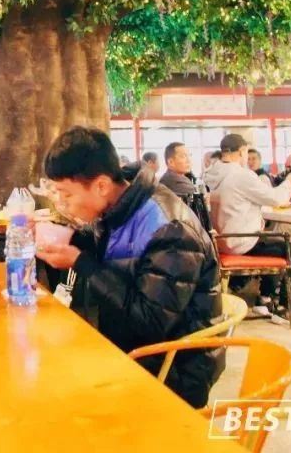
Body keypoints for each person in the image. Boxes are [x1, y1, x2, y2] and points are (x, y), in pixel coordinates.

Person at [36, 127, 223, 408]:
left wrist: (79, 261)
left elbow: (150, 322)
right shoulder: (121, 204)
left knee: (50, 385)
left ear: (100, 185)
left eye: (66, 195)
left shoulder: (169, 228)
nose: (62, 204)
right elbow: (117, 251)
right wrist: (65, 238)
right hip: (131, 344)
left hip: (174, 368)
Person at [204, 134, 291, 327]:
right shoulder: (240, 175)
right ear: (242, 151)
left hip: (221, 240)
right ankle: (284, 310)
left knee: (273, 241)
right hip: (242, 241)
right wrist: (289, 182)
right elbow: (275, 199)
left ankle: (265, 300)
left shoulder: (211, 174)